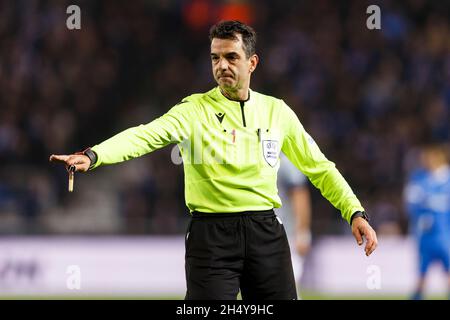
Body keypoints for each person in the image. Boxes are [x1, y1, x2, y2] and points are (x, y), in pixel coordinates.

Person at [50, 20, 378, 300]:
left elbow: (319, 167)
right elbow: (145, 135)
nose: (222, 66)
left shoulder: (277, 111)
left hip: (266, 232)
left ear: (252, 63)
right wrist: (95, 155)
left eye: (231, 57)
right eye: (215, 57)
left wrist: (354, 211)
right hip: (211, 237)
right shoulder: (194, 110)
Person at [404, 143, 450, 300]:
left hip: (445, 235)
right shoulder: (419, 179)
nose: (426, 161)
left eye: (429, 157)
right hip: (425, 236)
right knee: (421, 277)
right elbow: (411, 203)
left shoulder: (447, 180)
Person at [276, 153, 312, 298]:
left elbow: (300, 196)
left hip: (287, 234)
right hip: (268, 233)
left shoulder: (285, 162)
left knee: (289, 287)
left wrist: (302, 233)